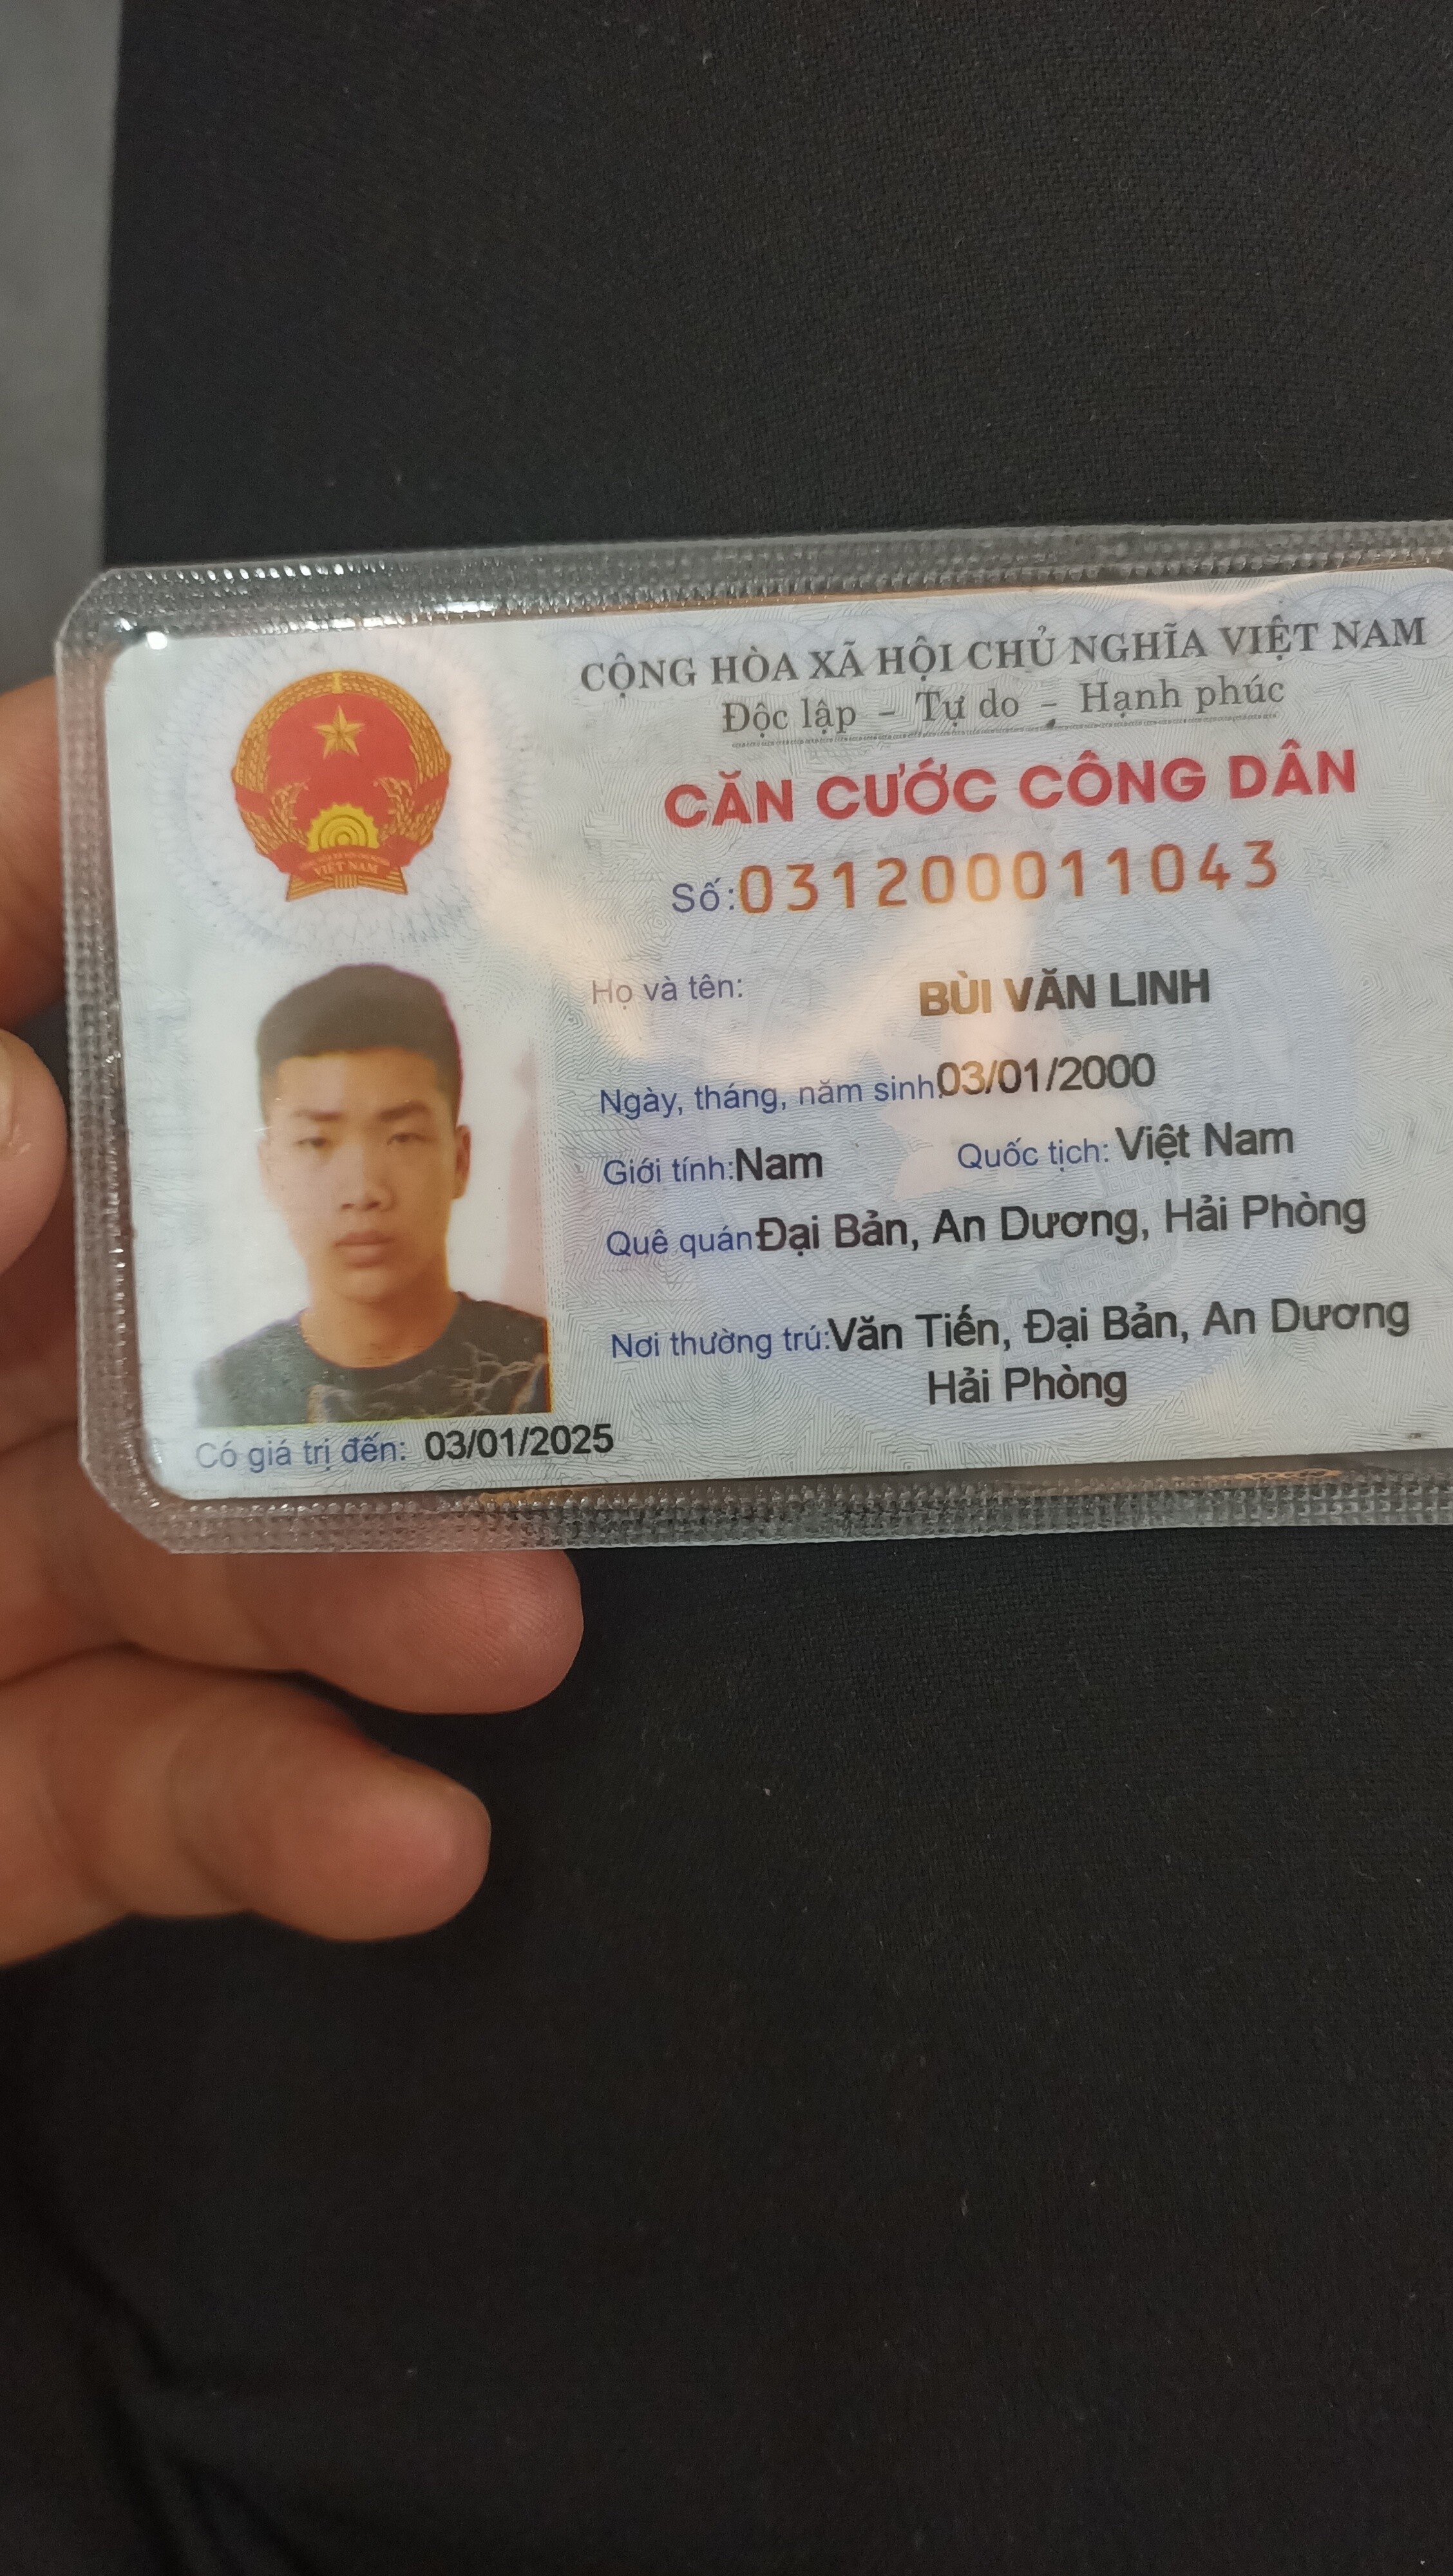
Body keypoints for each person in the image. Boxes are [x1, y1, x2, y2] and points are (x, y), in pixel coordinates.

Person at [196, 963, 549, 1426]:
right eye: (315, 1143)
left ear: (460, 1161)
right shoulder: (223, 1398)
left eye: (402, 1138)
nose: (363, 1192)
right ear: (270, 1170)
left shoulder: (547, 1371)